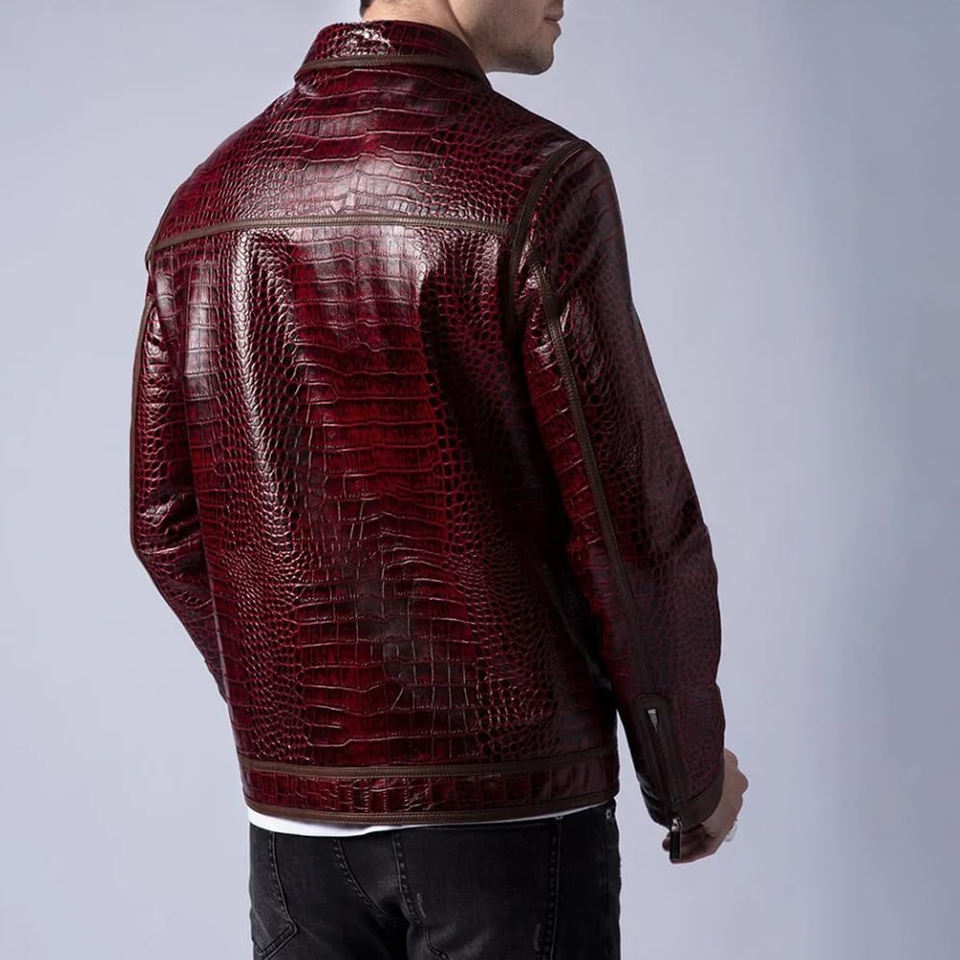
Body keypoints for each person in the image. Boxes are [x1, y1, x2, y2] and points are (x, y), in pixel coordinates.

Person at [129, 0, 749, 955]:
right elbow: (628, 517)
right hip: (510, 815)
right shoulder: (538, 181)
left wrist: (293, 718)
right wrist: (688, 779)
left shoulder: (203, 207)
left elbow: (164, 522)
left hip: (297, 834)